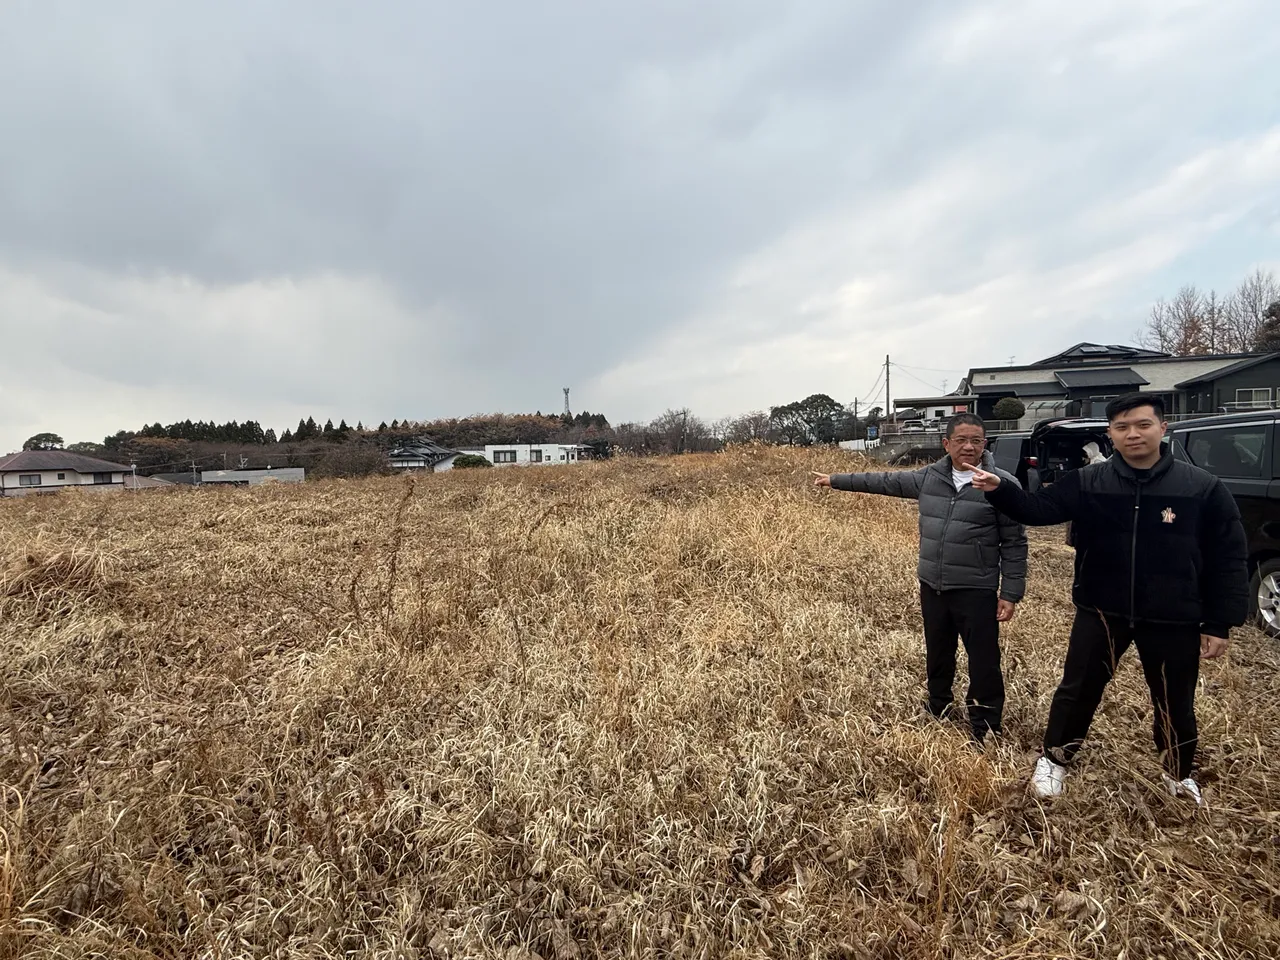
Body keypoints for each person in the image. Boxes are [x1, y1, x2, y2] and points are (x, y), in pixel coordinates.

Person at [967, 394, 1248, 804]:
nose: (1132, 434)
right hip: (1101, 607)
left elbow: (1228, 556)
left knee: (1174, 697)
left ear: (1162, 429)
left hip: (1173, 615)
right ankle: (1055, 759)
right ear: (1111, 435)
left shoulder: (1200, 487)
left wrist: (1219, 621)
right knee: (1078, 688)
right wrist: (999, 490)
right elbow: (1039, 508)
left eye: (1142, 425)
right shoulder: (1089, 482)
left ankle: (1178, 772)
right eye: (1121, 428)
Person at [814, 413, 1027, 741]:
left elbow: (1014, 543)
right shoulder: (929, 478)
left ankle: (985, 725)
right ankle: (938, 705)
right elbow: (882, 482)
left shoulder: (1001, 485)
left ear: (985, 444)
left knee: (984, 659)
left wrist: (1010, 592)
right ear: (947, 444)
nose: (969, 447)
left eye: (976, 441)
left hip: (976, 588)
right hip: (933, 585)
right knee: (938, 650)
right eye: (961, 440)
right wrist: (836, 479)